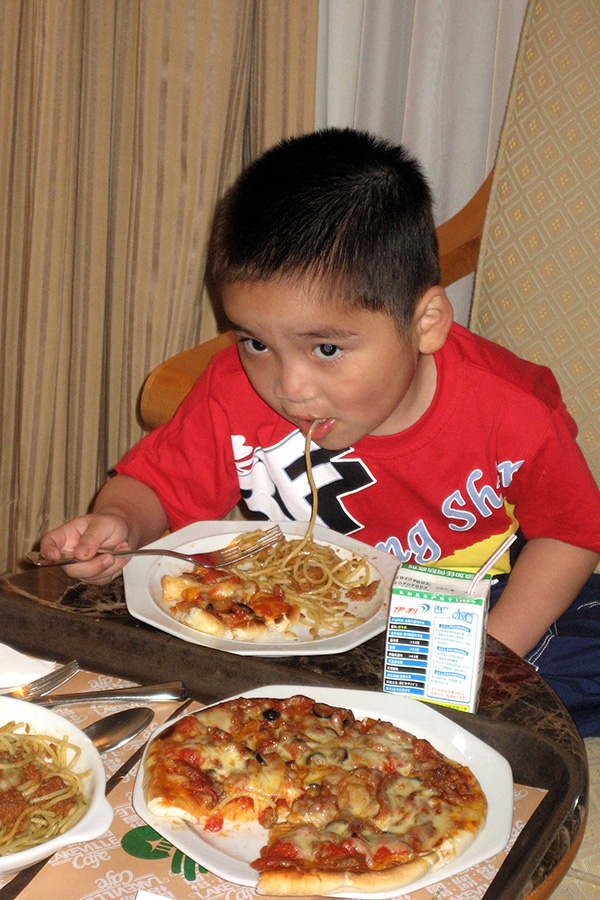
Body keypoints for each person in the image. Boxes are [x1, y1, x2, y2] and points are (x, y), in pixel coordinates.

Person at [40, 128, 600, 734]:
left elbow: (571, 534)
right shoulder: (233, 389)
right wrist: (119, 522)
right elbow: (155, 485)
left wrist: (489, 654)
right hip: (294, 614)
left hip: (476, 605)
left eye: (326, 348)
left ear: (427, 323)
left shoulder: (511, 410)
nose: (290, 387)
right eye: (256, 342)